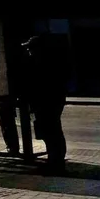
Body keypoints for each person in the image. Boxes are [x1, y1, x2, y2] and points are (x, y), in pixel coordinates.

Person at [23, 35, 68, 174]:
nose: (28, 51)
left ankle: (55, 161)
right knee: (53, 131)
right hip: (51, 102)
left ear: (37, 50)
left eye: (30, 48)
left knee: (51, 132)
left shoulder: (41, 65)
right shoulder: (49, 63)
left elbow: (38, 87)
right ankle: (55, 159)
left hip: (46, 103)